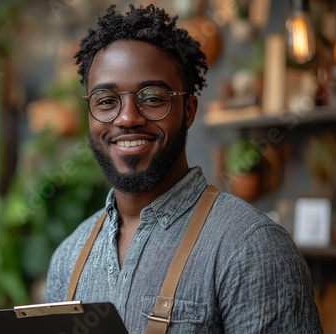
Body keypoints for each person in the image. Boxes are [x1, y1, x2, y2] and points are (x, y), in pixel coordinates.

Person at [45, 4, 323, 333]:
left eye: (152, 98)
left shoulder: (251, 248)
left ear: (188, 111)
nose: (127, 117)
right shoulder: (68, 258)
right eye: (106, 101)